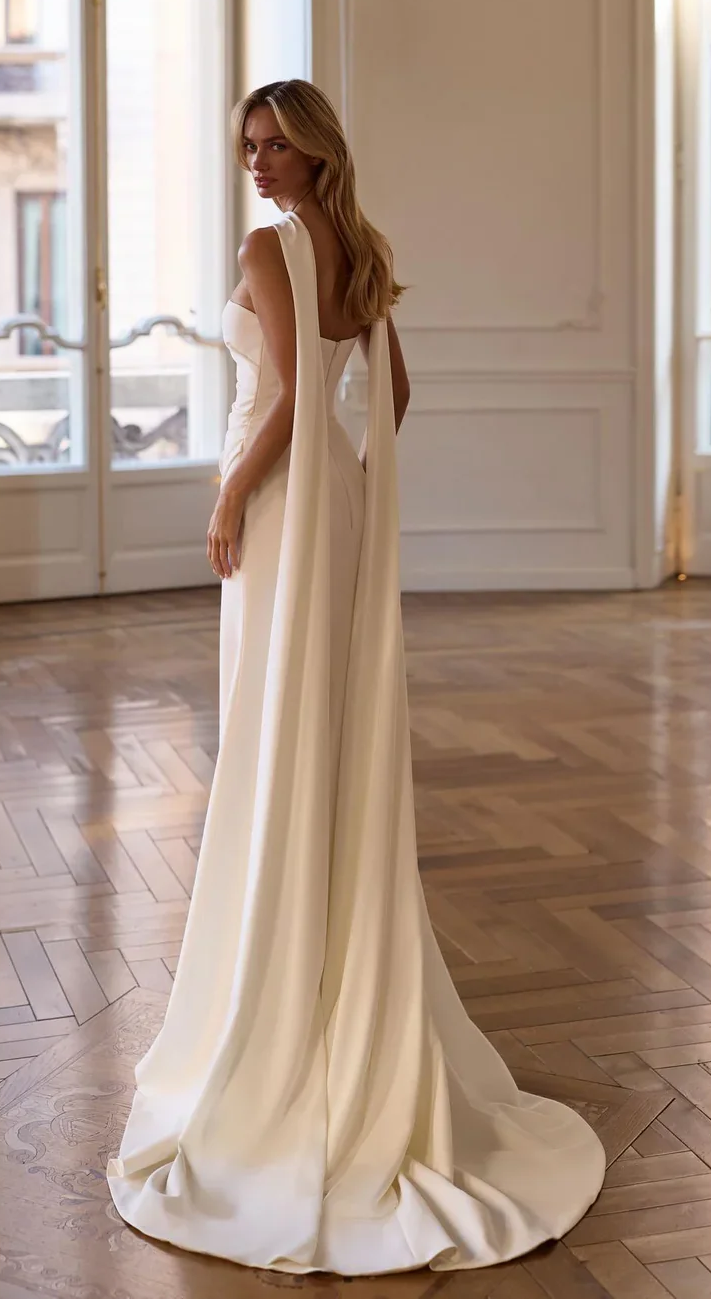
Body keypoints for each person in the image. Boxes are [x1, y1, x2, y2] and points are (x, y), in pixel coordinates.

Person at [107, 80, 606, 1274]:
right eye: (247, 142)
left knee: (277, 730)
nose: (258, 160)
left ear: (317, 144)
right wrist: (346, 480)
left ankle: (280, 985)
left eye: (276, 142)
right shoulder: (357, 244)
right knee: (309, 727)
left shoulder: (269, 243)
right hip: (323, 498)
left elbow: (278, 395)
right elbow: (391, 394)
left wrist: (234, 493)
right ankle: (320, 950)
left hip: (279, 503)